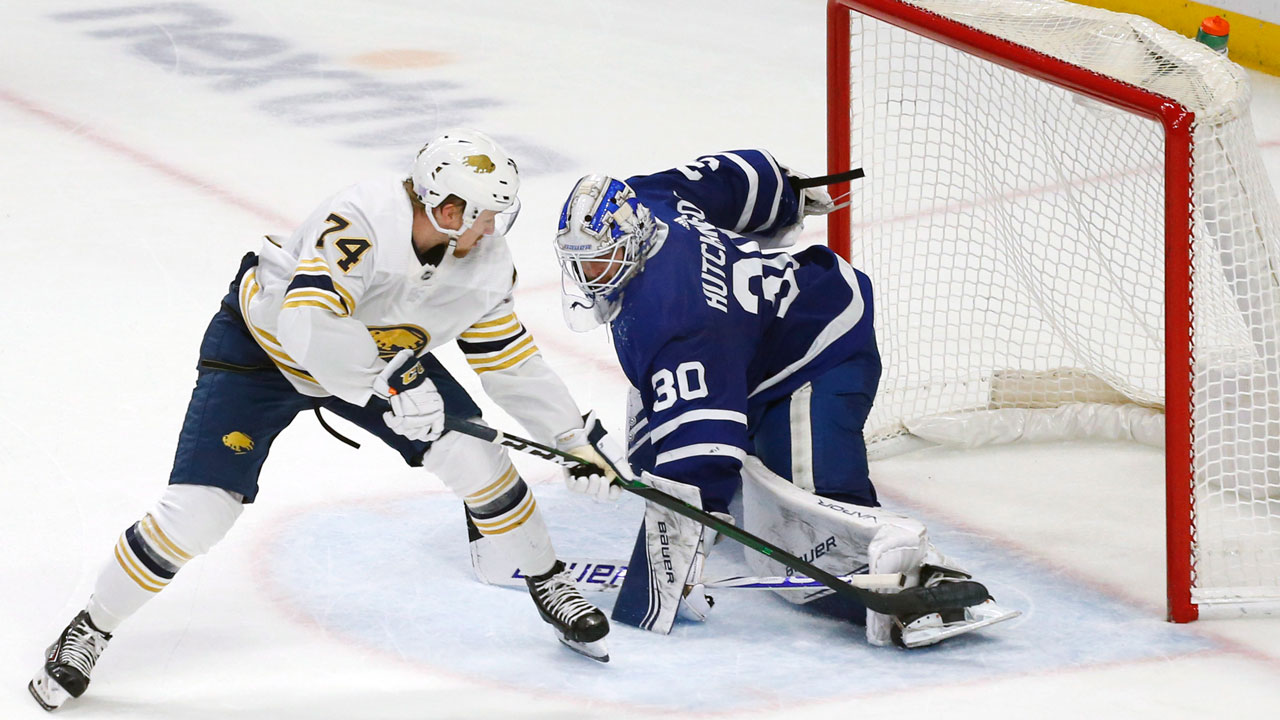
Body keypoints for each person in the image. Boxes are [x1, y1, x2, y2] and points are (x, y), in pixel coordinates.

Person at [29, 129, 620, 712]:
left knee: (477, 458)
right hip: (263, 354)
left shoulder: (486, 264)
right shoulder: (362, 218)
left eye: (499, 213)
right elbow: (306, 326)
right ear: (441, 205)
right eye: (481, 213)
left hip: (382, 363)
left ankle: (547, 580)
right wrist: (394, 383)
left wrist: (572, 439)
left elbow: (510, 362)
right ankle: (92, 626)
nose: (491, 228)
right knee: (200, 514)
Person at [551, 149, 1018, 647]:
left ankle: (928, 582)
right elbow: (724, 180)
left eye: (600, 259)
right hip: (747, 346)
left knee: (819, 532)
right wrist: (783, 190)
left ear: (635, 239)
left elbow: (702, 455)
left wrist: (676, 547)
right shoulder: (647, 200)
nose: (590, 275)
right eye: (579, 261)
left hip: (818, 345)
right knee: (654, 457)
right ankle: (740, 433)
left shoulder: (678, 316)